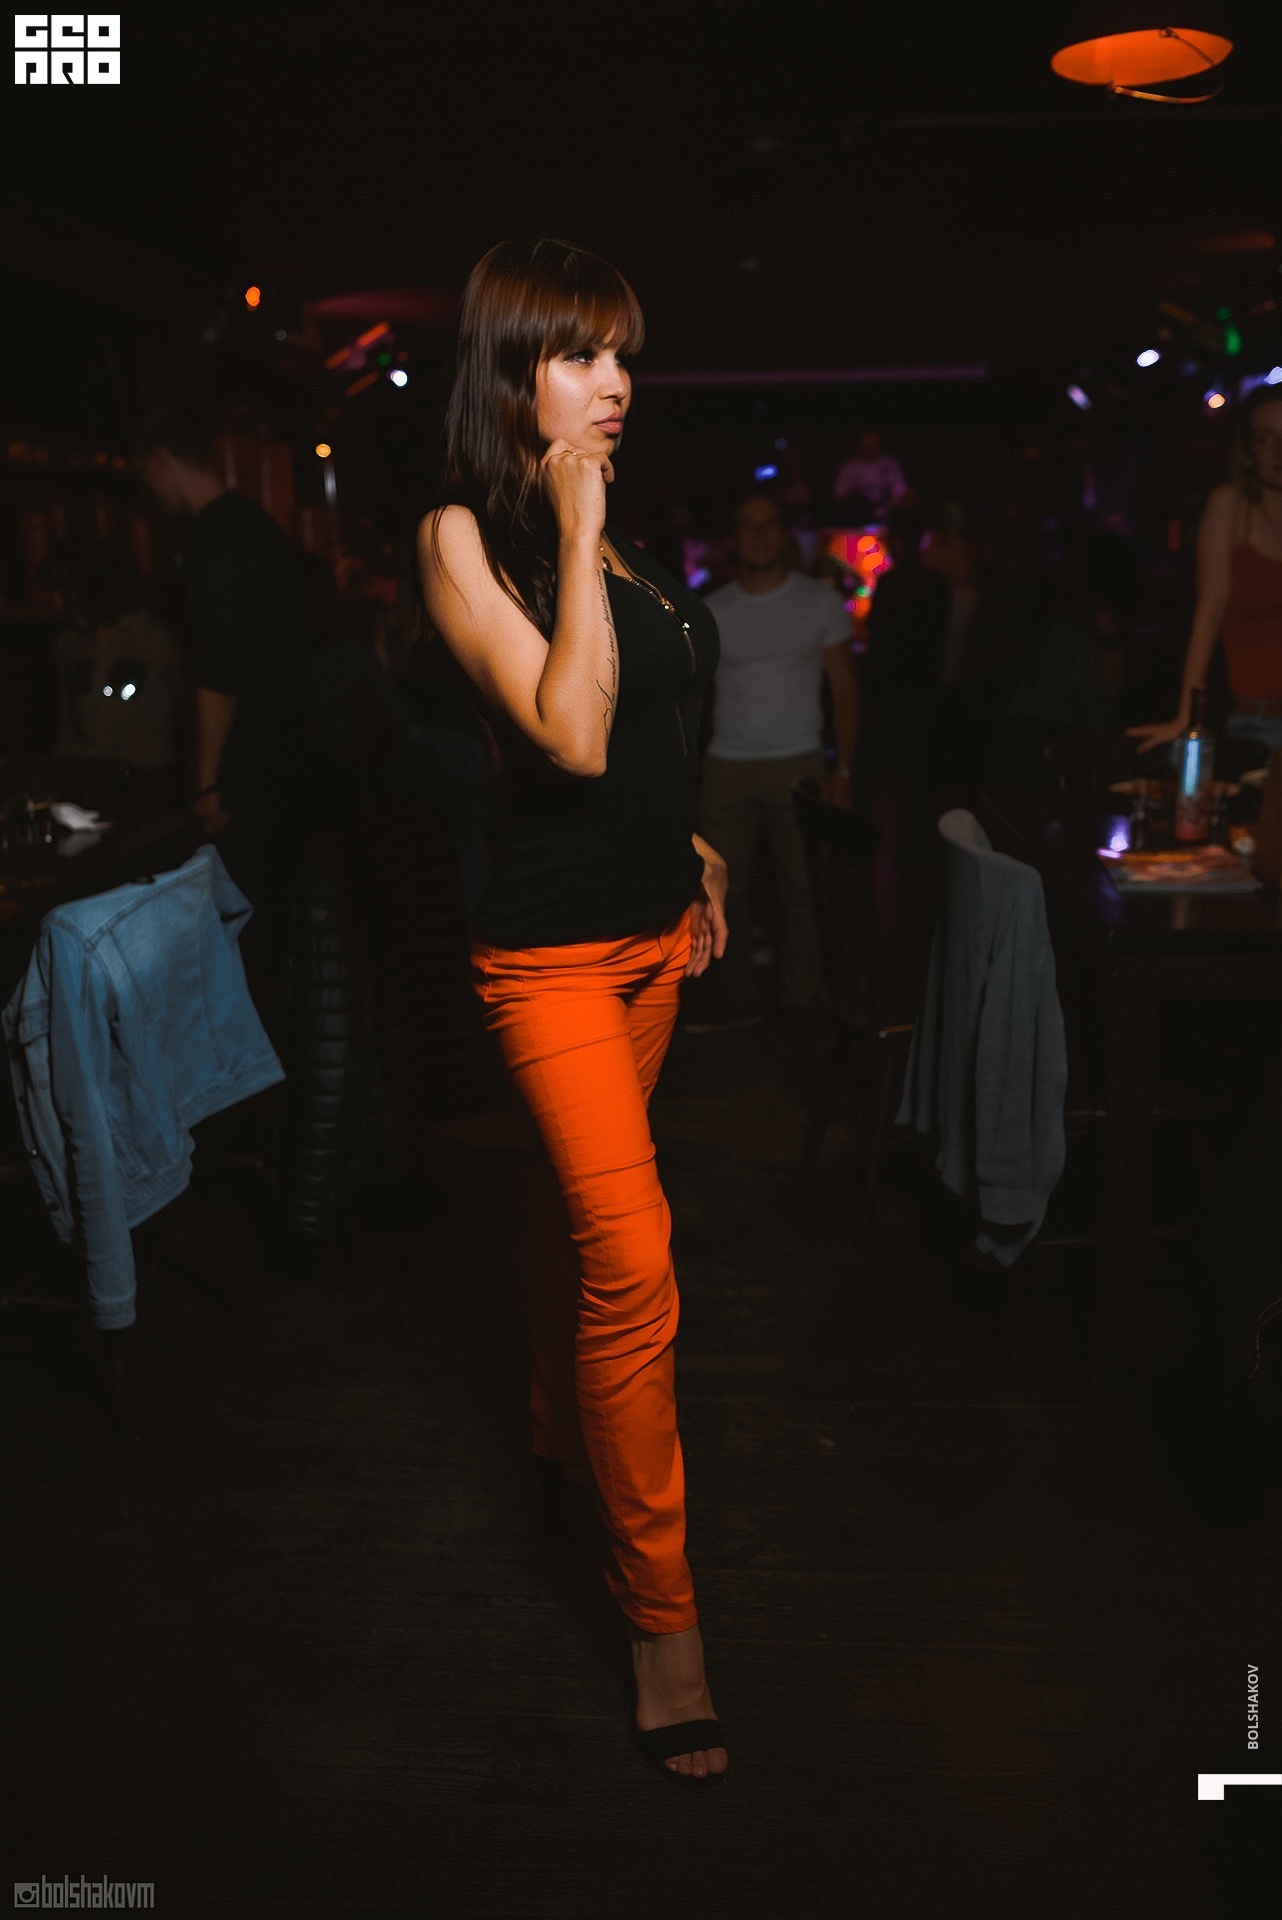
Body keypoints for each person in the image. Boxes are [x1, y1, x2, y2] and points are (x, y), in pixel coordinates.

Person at [416, 238, 729, 1785]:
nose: (617, 385)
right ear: (511, 369)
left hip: (651, 942)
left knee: (564, 1214)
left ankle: (552, 1441)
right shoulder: (462, 536)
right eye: (585, 355)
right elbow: (572, 738)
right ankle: (661, 1625)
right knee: (634, 1258)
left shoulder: (613, 543)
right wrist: (583, 522)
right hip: (547, 965)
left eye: (624, 358)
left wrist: (692, 852)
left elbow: (648, 737)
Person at [139, 406, 307, 1013]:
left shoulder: (210, 540)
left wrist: (207, 781)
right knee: (272, 930)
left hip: (244, 768)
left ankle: (253, 1058)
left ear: (163, 462)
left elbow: (218, 668)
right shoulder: (259, 525)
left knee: (236, 935)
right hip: (284, 753)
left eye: (148, 473)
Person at [695, 492, 858, 1026]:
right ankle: (736, 997)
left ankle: (800, 999)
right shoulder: (713, 609)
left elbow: (845, 689)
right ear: (734, 537)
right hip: (727, 762)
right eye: (749, 524)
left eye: (770, 524)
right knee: (723, 888)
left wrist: (843, 769)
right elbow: (691, 698)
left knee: (804, 889)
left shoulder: (818, 601)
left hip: (799, 761)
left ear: (784, 534)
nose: (761, 534)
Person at [1128, 385, 1282, 755]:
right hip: (1257, 727)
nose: (1280, 450)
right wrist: (1186, 716)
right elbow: (1208, 613)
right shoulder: (1230, 505)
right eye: (1264, 438)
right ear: (1248, 453)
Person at [862, 504, 950, 855]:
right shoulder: (938, 585)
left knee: (867, 767)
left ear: (897, 541)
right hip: (925, 688)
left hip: (893, 690)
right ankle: (915, 850)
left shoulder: (891, 584)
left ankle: (862, 844)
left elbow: (878, 639)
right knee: (917, 774)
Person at [833, 428, 908, 521]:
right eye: (867, 444)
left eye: (873, 443)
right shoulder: (850, 467)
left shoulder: (890, 463)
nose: (870, 447)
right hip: (858, 515)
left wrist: (885, 508)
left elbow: (900, 491)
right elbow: (840, 494)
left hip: (888, 513)